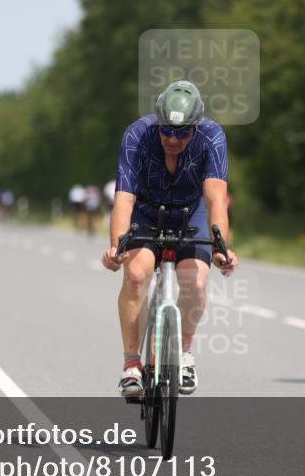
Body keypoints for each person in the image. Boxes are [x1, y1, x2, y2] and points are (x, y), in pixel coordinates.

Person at [102, 80, 238, 397]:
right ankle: (132, 365)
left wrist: (221, 248)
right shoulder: (138, 134)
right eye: (166, 131)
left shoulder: (212, 137)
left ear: (195, 127)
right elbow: (124, 197)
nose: (172, 139)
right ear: (158, 122)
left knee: (197, 281)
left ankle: (185, 353)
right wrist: (117, 246)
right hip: (146, 212)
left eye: (181, 133)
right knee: (136, 276)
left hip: (192, 212)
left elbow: (217, 198)